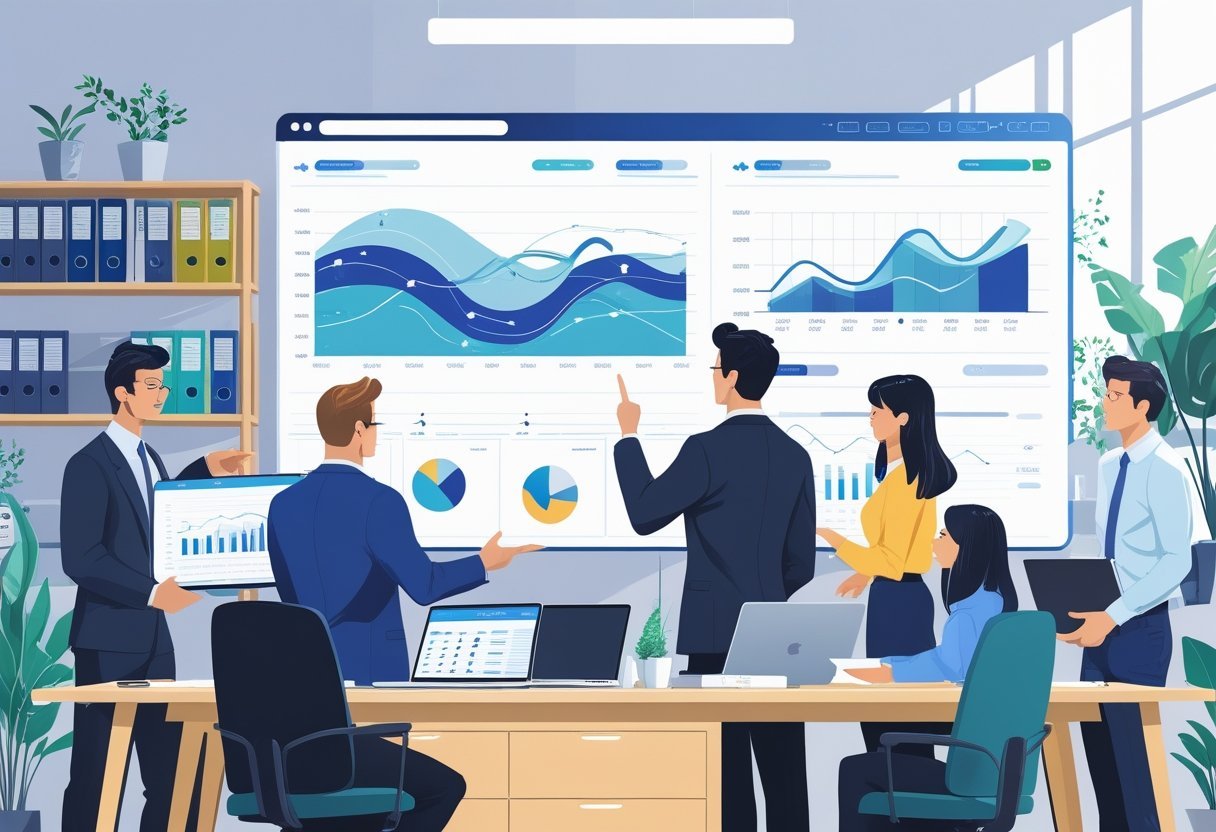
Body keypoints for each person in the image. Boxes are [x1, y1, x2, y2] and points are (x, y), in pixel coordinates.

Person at [267, 376, 542, 832]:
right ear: (359, 430)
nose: (374, 432)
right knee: (441, 787)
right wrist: (484, 561)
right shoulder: (379, 501)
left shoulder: (282, 504)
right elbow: (425, 585)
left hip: (303, 712)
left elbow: (289, 598)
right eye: (374, 424)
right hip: (369, 693)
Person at [613, 322, 817, 832]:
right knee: (786, 774)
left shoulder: (706, 449)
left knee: (726, 774)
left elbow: (644, 514)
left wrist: (629, 436)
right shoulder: (796, 455)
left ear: (729, 377)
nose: (712, 378)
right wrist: (763, 595)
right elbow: (802, 563)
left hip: (714, 630)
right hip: (775, 633)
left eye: (714, 370)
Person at [60, 341, 252, 832]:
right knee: (97, 773)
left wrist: (202, 471)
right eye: (152, 385)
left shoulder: (151, 457)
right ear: (123, 393)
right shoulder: (88, 465)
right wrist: (150, 592)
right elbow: (82, 559)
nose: (162, 393)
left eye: (162, 384)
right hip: (107, 642)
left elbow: (156, 516)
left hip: (153, 643)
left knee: (169, 773)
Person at [1057, 356, 1192, 832]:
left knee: (1136, 774)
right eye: (1106, 393)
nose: (1104, 403)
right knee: (1102, 768)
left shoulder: (1167, 469)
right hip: (1100, 629)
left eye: (1114, 396)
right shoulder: (1110, 464)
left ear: (1143, 405)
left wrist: (1112, 616)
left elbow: (1178, 560)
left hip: (1140, 630)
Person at [837, 504, 1017, 832]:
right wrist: (889, 665)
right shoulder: (997, 605)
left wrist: (887, 672)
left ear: (968, 547)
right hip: (995, 770)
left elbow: (950, 665)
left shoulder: (967, 615)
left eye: (944, 535)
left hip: (971, 774)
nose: (935, 543)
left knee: (856, 769)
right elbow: (945, 661)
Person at [816, 374, 957, 755]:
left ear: (904, 419)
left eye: (878, 410)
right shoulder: (898, 475)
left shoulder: (909, 481)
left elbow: (895, 559)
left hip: (899, 602)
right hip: (894, 596)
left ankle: (902, 805)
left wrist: (833, 538)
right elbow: (896, 549)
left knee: (895, 718)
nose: (871, 417)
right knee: (885, 714)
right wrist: (866, 571)